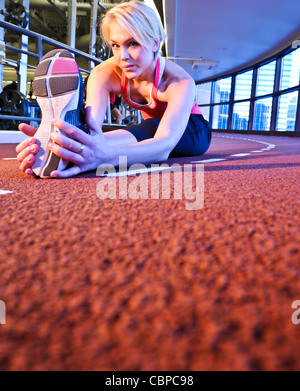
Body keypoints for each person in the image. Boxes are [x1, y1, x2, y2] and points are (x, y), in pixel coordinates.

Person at [16, 1, 211, 179]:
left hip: (193, 130)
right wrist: (55, 142)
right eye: (115, 46)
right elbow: (92, 130)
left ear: (154, 43)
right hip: (150, 128)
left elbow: (163, 146)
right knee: (121, 136)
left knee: (150, 130)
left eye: (132, 43)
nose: (122, 56)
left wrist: (105, 157)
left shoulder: (179, 81)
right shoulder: (104, 73)